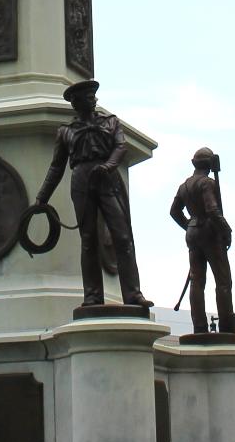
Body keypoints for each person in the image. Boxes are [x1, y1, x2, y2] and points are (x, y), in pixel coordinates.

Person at [36, 80, 150, 309]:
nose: (94, 100)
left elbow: (121, 147)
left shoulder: (111, 122)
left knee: (123, 236)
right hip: (82, 179)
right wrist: (42, 198)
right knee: (88, 239)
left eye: (93, 97)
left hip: (107, 178)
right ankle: (92, 296)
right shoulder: (66, 132)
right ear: (76, 103)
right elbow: (56, 167)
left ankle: (133, 294)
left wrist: (109, 165)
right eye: (88, 98)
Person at [169, 147, 235, 336]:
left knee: (197, 281)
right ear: (210, 165)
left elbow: (174, 212)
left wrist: (190, 225)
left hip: (193, 233)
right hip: (209, 232)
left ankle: (199, 327)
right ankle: (227, 325)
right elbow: (212, 210)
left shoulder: (184, 185)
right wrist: (226, 230)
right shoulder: (207, 183)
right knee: (223, 280)